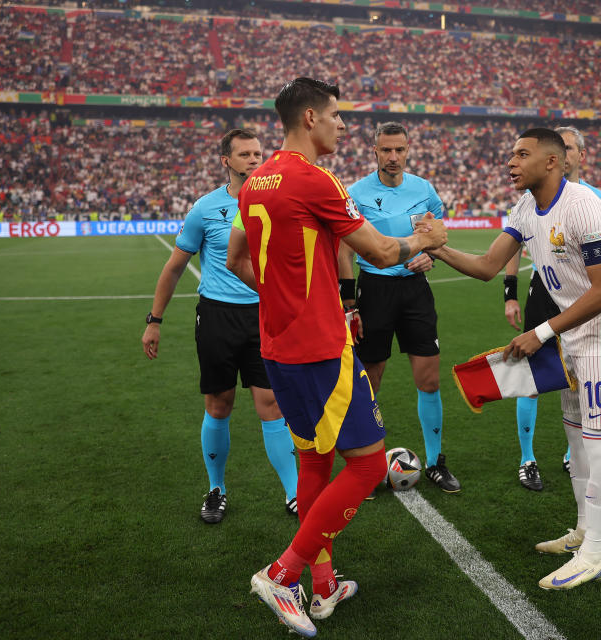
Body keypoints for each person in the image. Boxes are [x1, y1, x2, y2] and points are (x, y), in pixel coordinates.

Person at [226, 77, 447, 636]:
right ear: (309, 119)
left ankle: (322, 588)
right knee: (369, 465)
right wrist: (428, 240)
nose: (343, 125)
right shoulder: (317, 179)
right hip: (322, 348)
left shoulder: (254, 181)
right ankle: (284, 573)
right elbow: (379, 250)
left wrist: (284, 298)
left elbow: (236, 262)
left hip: (276, 343)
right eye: (336, 115)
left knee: (313, 462)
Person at [430, 128, 601, 591]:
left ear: (553, 162)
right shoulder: (526, 208)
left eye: (521, 154)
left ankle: (595, 554)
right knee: (577, 436)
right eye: (511, 153)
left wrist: (541, 332)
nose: (511, 161)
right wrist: (436, 246)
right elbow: (488, 266)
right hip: (572, 331)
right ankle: (584, 532)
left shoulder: (585, 206)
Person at [141, 129, 298, 524]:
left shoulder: (278, 203)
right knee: (218, 403)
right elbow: (174, 267)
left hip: (264, 316)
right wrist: (154, 321)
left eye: (258, 153)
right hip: (217, 317)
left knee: (271, 404)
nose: (254, 160)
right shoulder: (205, 208)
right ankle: (216, 489)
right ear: (226, 160)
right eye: (245, 154)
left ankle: (296, 493)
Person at [338, 121, 460, 494]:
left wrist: (431, 257)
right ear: (374, 151)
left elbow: (436, 233)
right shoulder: (356, 192)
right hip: (374, 290)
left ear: (408, 150)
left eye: (399, 150)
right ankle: (368, 466)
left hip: (415, 292)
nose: (393, 157)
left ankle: (437, 462)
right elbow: (343, 248)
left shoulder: (423, 189)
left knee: (429, 379)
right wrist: (350, 302)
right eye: (386, 150)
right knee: (369, 381)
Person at [502, 125, 601, 491]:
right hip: (543, 292)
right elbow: (510, 247)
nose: (569, 152)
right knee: (532, 378)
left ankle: (571, 451)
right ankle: (527, 457)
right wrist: (510, 292)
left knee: (576, 375)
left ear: (575, 156)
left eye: (574, 147)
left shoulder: (591, 199)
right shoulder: (531, 201)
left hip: (581, 300)